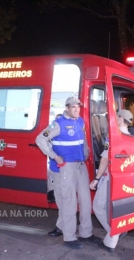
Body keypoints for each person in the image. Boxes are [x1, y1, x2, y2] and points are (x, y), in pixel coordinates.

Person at [36, 97, 100, 250]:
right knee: (69, 202)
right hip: (66, 168)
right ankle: (69, 236)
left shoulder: (80, 122)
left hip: (80, 165)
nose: (77, 109)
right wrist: (54, 156)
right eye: (73, 107)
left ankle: (86, 233)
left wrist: (86, 152)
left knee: (85, 200)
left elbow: (83, 140)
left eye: (78, 106)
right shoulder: (58, 124)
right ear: (67, 108)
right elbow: (40, 139)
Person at [89, 109, 133, 252]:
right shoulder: (131, 137)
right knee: (113, 209)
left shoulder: (114, 136)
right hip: (124, 179)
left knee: (98, 206)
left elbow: (104, 159)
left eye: (116, 117)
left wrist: (96, 178)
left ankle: (113, 236)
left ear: (120, 119)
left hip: (110, 177)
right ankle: (115, 232)